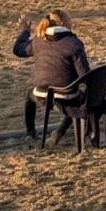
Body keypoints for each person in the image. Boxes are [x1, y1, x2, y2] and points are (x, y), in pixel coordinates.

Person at [13, 9, 92, 143]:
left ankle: (30, 131)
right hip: (66, 96)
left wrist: (25, 31)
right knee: (81, 99)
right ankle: (60, 131)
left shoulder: (38, 40)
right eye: (69, 19)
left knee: (29, 95)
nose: (71, 22)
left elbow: (18, 49)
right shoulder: (73, 43)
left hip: (42, 94)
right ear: (62, 23)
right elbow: (84, 75)